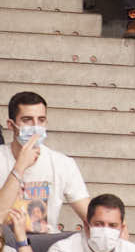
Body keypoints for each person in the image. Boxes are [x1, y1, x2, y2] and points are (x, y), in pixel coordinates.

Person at [1, 92, 88, 234]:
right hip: (5, 249)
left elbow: (90, 214)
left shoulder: (63, 164)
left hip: (45, 248)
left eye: (41, 120)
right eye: (27, 120)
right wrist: (20, 167)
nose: (35, 126)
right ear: (11, 124)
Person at [43, 194, 135, 252]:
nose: (106, 231)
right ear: (86, 225)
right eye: (99, 224)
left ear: (121, 228)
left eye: (112, 225)